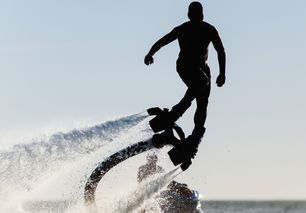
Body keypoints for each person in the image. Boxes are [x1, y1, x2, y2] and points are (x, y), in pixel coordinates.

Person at [144, 1, 226, 160]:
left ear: (203, 14)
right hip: (185, 66)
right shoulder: (183, 29)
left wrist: (222, 73)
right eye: (195, 14)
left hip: (203, 69)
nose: (198, 17)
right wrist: (150, 53)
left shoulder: (209, 29)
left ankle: (195, 137)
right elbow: (163, 41)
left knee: (203, 102)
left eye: (200, 14)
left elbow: (220, 50)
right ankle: (174, 113)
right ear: (189, 15)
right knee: (201, 82)